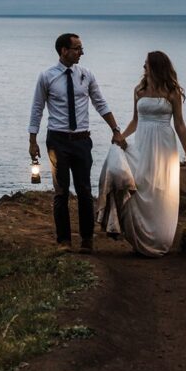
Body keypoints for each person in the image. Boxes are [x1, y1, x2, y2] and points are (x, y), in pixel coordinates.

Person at [29, 33, 127, 253]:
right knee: (61, 191)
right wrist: (32, 140)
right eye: (77, 48)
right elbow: (37, 108)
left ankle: (87, 239)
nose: (81, 52)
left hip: (82, 140)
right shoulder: (46, 76)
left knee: (84, 190)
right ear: (64, 50)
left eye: (81, 48)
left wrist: (116, 129)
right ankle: (63, 241)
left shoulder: (86, 74)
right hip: (58, 140)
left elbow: (100, 103)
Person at [96, 51, 186, 257]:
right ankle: (139, 236)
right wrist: (121, 136)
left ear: (156, 67)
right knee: (138, 182)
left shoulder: (172, 92)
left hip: (163, 144)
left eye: (147, 64)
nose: (143, 67)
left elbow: (179, 124)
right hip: (142, 141)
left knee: (159, 188)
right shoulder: (139, 90)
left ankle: (159, 236)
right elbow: (135, 120)